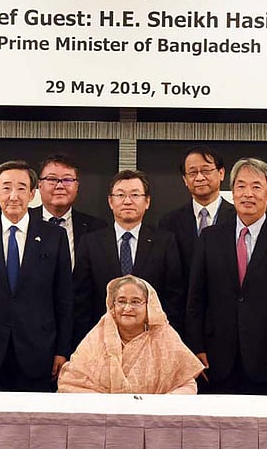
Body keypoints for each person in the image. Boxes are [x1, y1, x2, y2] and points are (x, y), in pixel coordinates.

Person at [186, 158, 267, 395]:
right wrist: (195, 347)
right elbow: (196, 300)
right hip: (216, 357)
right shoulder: (210, 238)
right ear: (232, 192)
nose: (248, 194)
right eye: (241, 186)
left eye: (256, 186)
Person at [0, 160, 71, 392]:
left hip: (38, 351)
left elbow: (64, 300)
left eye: (21, 188)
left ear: (32, 194)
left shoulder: (54, 236)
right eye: (6, 187)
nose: (13, 196)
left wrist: (62, 351)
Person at [72, 170, 184, 349]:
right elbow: (82, 299)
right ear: (110, 201)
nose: (127, 201)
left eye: (135, 195)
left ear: (147, 201)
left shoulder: (165, 241)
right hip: (101, 342)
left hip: (152, 341)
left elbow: (174, 296)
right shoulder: (90, 242)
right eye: (120, 195)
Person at [59, 275, 204, 394]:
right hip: (104, 422)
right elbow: (70, 384)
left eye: (135, 302)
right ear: (113, 306)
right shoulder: (97, 337)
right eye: (121, 301)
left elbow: (187, 386)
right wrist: (108, 407)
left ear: (148, 306)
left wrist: (155, 407)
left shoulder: (164, 337)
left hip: (154, 422)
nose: (127, 308)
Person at [159, 146, 235, 283]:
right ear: (185, 179)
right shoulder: (170, 222)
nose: (199, 177)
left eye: (206, 170)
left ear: (221, 173)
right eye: (192, 173)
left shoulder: (237, 218)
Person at [29, 154, 108, 267]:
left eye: (67, 180)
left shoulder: (96, 228)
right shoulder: (24, 221)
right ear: (39, 185)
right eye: (52, 179)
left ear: (77, 186)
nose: (60, 186)